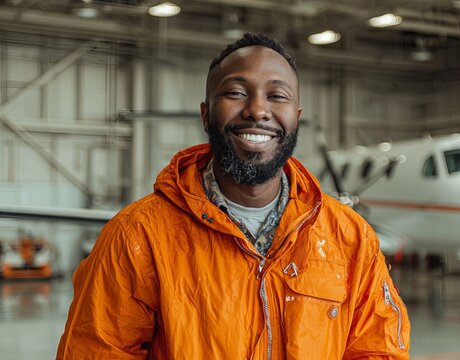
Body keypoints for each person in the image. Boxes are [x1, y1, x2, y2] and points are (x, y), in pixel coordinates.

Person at [57, 32, 410, 359]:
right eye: (236, 92)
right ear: (206, 114)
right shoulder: (137, 237)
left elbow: (379, 350)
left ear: (296, 117)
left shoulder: (350, 238)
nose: (257, 110)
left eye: (277, 95)